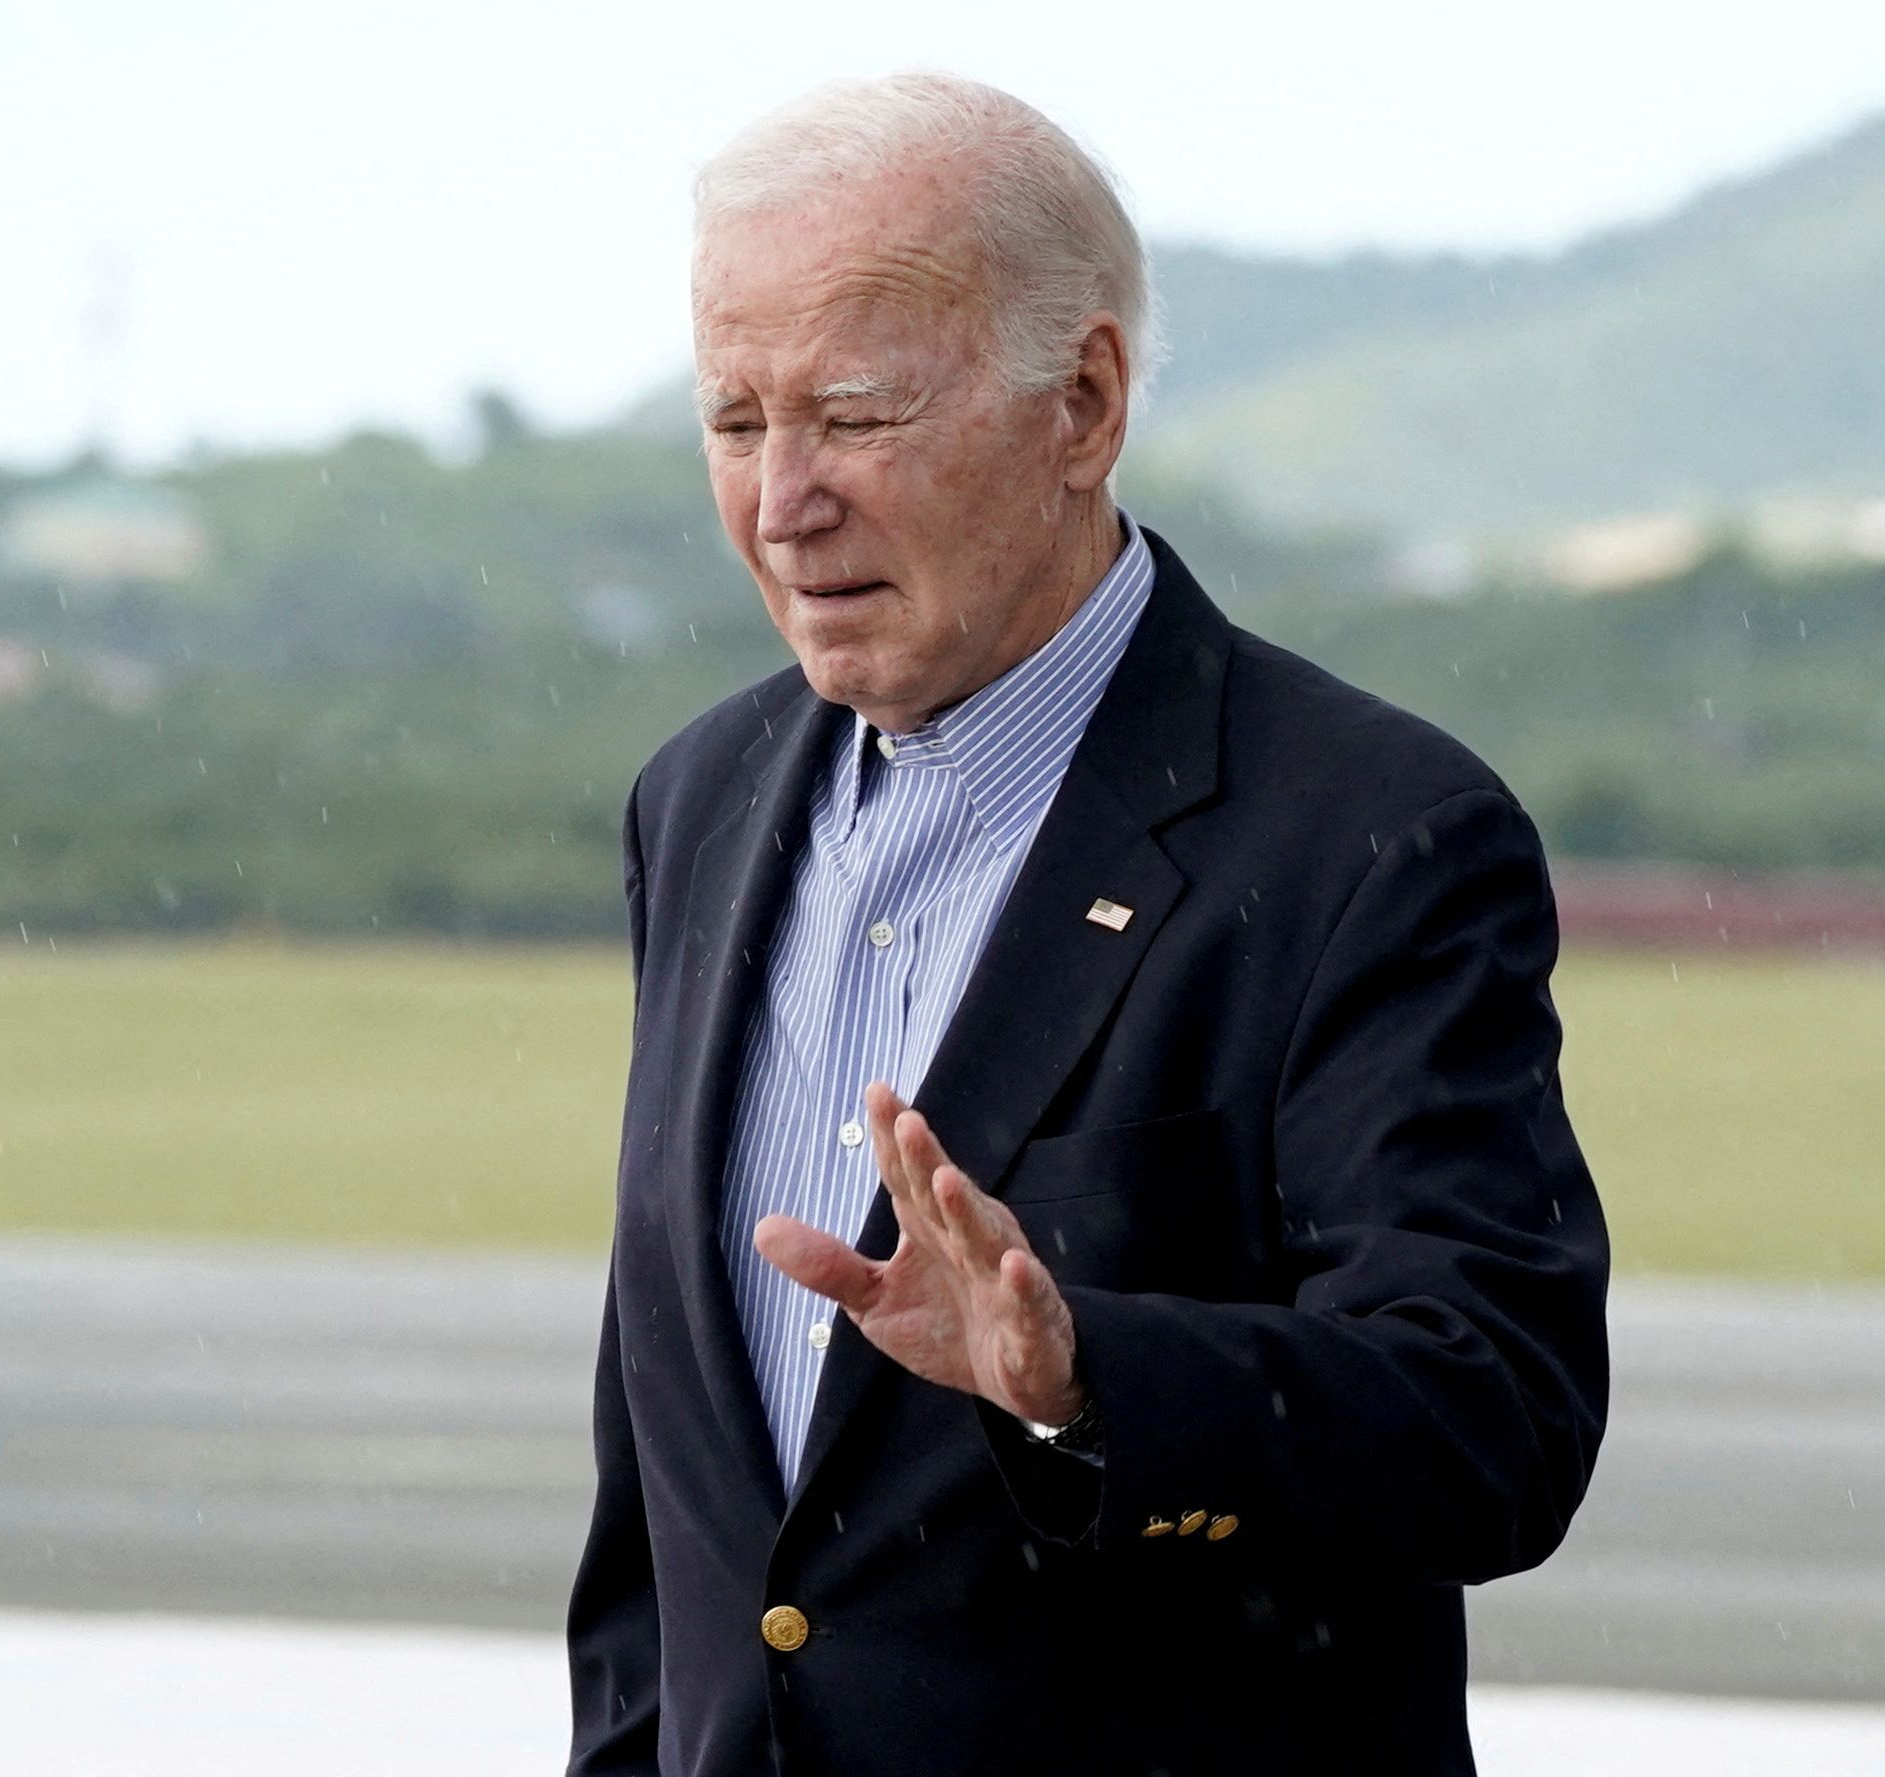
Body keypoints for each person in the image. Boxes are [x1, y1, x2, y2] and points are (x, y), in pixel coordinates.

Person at [565, 71, 1608, 1777]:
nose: (782, 500)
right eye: (737, 422)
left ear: (1084, 402)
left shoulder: (1371, 831)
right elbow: (664, 1513)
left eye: (852, 413)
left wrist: (1080, 1377)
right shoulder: (696, 798)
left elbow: (1494, 1421)